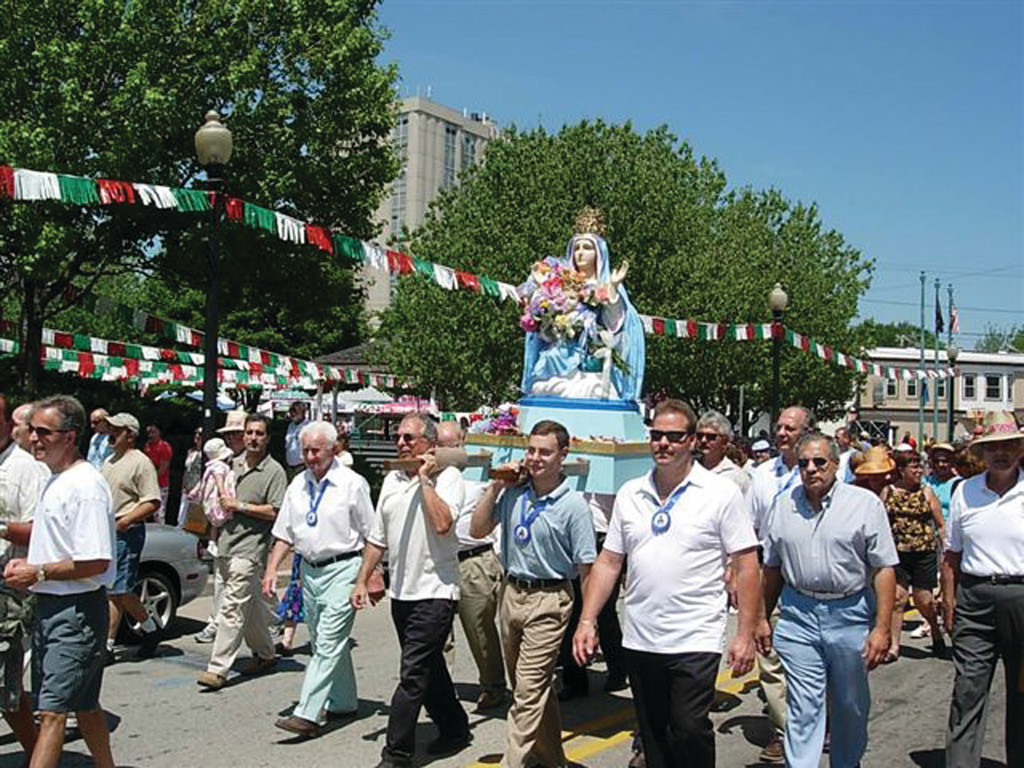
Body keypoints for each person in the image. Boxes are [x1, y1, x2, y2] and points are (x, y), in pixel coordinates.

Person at [573, 399, 760, 768]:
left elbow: (747, 564)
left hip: (695, 636)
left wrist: (746, 632)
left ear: (692, 440)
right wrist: (587, 619)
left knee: (689, 729)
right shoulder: (630, 494)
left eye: (674, 437)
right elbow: (610, 562)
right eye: (656, 435)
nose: (663, 443)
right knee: (654, 735)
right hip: (642, 636)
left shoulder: (720, 493)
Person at [757, 433, 898, 768]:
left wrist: (881, 629)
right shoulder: (783, 505)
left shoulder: (865, 505)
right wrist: (760, 618)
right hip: (798, 615)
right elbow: (772, 569)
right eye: (804, 462)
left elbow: (883, 569)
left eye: (819, 462)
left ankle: (846, 762)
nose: (811, 469)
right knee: (804, 705)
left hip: (849, 614)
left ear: (835, 464)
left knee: (849, 703)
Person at [471, 420, 596, 768]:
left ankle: (513, 763)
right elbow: (477, 528)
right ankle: (553, 759)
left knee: (526, 692)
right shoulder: (514, 493)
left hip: (550, 599)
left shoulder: (574, 507)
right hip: (512, 593)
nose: (536, 458)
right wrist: (495, 486)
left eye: (545, 452)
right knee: (531, 687)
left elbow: (588, 569)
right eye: (531, 450)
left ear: (562, 455)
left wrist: (589, 621)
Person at [3, 394, 116, 768]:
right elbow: (49, 534)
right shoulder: (57, 480)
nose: (33, 438)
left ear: (70, 436)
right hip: (52, 606)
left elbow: (96, 559)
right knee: (83, 705)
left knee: (51, 712)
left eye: (42, 431)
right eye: (31, 430)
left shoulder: (85, 486)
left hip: (76, 611)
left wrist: (37, 572)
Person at [352, 412, 470, 768]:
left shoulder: (449, 479)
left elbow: (443, 522)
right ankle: (454, 726)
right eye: (399, 437)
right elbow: (377, 537)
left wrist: (424, 479)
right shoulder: (390, 481)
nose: (401, 443)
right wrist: (363, 578)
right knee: (429, 667)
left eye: (409, 438)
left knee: (412, 674)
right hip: (402, 592)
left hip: (436, 591)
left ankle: (397, 754)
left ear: (430, 445)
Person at [262, 421, 373, 739]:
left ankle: (307, 713)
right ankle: (344, 701)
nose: (309, 456)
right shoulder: (298, 484)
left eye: (315, 450)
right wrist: (272, 569)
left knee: (325, 643)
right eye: (305, 450)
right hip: (309, 572)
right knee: (329, 640)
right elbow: (284, 533)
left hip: (344, 569)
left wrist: (369, 577)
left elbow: (372, 535)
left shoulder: (353, 484)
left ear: (333, 449)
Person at [942, 411, 1024, 768]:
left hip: (1022, 599)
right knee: (968, 690)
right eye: (992, 447)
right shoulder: (965, 492)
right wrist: (949, 602)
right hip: (975, 602)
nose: (1000, 453)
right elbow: (951, 555)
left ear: (1019, 448)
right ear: (982, 453)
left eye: (1008, 445)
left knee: (1022, 693)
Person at [746, 406, 816, 763]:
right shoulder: (761, 475)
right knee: (769, 653)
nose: (782, 433)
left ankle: (817, 722)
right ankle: (784, 730)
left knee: (810, 658)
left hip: (810, 576)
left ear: (806, 432)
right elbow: (748, 528)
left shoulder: (820, 471)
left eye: (790, 428)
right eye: (779, 427)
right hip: (769, 570)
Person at [198, 413, 286, 690]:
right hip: (225, 543)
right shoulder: (230, 465)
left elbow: (277, 511)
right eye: (249, 433)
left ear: (268, 438)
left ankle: (217, 668)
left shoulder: (274, 472)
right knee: (251, 608)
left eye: (259, 433)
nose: (252, 438)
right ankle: (266, 654)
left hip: (250, 548)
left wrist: (241, 506)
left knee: (232, 606)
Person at [520, 209, 645, 401]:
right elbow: (543, 314)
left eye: (587, 248)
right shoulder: (560, 282)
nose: (580, 253)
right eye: (577, 248)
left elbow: (615, 324)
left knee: (589, 387)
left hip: (590, 352)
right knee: (546, 377)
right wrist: (540, 290)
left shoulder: (605, 285)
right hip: (559, 347)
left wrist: (612, 289)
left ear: (599, 252)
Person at [437, 421, 507, 711]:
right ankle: (440, 689)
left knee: (479, 629)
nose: (446, 452)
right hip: (441, 561)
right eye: (440, 446)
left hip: (474, 560)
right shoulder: (432, 477)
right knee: (439, 633)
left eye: (451, 446)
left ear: (463, 442)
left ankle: (493, 685)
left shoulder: (480, 473)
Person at [0, 394, 48, 757]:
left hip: (11, 591)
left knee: (7, 691)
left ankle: (39, 756)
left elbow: (39, 530)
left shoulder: (25, 468)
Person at [101, 412, 162, 663]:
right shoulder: (109, 461)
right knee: (112, 589)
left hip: (127, 532)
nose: (111, 432)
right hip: (106, 532)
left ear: (131, 435)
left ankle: (107, 645)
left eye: (117, 428)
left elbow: (152, 501)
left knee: (119, 590)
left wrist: (127, 520)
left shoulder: (141, 462)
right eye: (110, 428)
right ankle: (149, 630)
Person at [880, 450, 946, 660]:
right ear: (901, 470)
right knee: (898, 600)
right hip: (897, 553)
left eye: (920, 467)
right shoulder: (888, 492)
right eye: (914, 467)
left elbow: (940, 524)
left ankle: (935, 630)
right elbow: (879, 523)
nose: (919, 471)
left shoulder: (926, 492)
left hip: (923, 553)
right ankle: (894, 647)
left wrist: (945, 550)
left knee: (923, 600)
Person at [194, 411, 248, 644]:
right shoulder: (224, 464)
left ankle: (268, 621)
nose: (232, 439)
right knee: (222, 580)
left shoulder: (253, 463)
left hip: (247, 534)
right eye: (229, 434)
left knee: (247, 583)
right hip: (224, 528)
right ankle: (216, 622)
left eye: (237, 434)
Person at [695, 410, 751, 493]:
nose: (703, 440)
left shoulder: (737, 477)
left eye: (711, 437)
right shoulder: (688, 469)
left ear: (725, 441)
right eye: (700, 435)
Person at [144, 424, 173, 524]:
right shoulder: (147, 446)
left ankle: (161, 532)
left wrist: (152, 480)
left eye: (153, 432)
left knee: (159, 512)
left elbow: (163, 467)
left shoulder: (164, 447)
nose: (150, 435)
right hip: (148, 483)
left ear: (159, 432)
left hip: (161, 483)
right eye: (148, 433)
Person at [923, 442, 958, 521]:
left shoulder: (959, 484)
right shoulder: (925, 481)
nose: (940, 464)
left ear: (952, 462)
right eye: (936, 461)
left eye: (944, 461)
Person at [179, 427, 203, 530]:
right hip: (186, 488)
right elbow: (186, 470)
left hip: (197, 489)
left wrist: (196, 489)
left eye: (200, 434)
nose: (197, 436)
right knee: (182, 516)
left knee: (195, 519)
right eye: (196, 434)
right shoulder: (191, 451)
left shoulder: (205, 454)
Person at [284, 402, 309, 480]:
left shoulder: (308, 426)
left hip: (301, 466)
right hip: (289, 466)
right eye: (291, 412)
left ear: (303, 412)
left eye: (295, 412)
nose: (292, 414)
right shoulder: (291, 425)